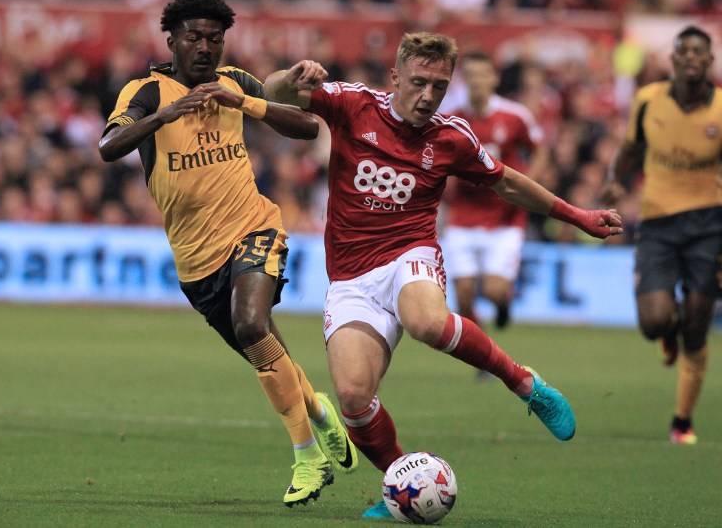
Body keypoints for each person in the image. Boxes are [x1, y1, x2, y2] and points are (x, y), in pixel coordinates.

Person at [264, 32, 623, 517]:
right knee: (352, 397)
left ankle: (526, 386)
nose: (428, 95)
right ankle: (399, 484)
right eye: (418, 82)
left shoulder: (451, 136)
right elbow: (272, 93)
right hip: (350, 278)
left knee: (427, 322)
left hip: (409, 253)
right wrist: (291, 77)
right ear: (395, 77)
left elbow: (510, 183)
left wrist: (577, 215)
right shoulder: (353, 104)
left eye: (439, 85)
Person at [97, 0, 358, 507]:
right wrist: (166, 118)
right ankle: (321, 412)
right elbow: (108, 147)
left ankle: (306, 455)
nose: (205, 47)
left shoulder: (234, 81)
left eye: (215, 39)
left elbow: (306, 125)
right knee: (265, 348)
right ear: (171, 39)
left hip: (255, 227)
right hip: (196, 262)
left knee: (251, 324)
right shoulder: (145, 93)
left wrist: (246, 101)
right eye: (194, 37)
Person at [601, 25, 722, 445]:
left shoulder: (721, 109)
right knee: (654, 322)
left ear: (709, 61)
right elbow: (631, 148)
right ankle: (665, 335)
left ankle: (682, 421)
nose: (690, 57)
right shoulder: (648, 100)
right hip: (657, 223)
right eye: (682, 51)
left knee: (697, 324)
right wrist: (615, 181)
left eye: (698, 52)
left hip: (709, 224)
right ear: (673, 60)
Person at [441, 50, 550, 331]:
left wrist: (526, 186)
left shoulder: (515, 116)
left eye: (483, 75)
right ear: (464, 80)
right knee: (463, 297)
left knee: (493, 291)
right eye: (471, 76)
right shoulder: (452, 120)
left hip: (504, 217)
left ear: (494, 78)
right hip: (463, 215)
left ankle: (503, 304)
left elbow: (539, 151)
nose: (477, 82)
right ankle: (484, 358)